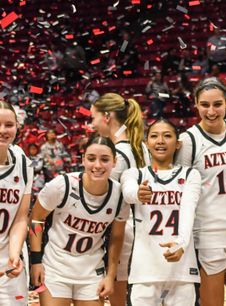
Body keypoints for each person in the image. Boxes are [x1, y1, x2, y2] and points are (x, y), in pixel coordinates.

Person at [174, 77, 226, 306]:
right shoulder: (188, 140)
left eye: (217, 104)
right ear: (196, 104)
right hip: (206, 238)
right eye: (205, 105)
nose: (211, 111)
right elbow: (180, 193)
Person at [29, 136, 128, 306]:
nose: (97, 165)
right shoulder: (62, 185)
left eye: (104, 159)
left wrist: (111, 275)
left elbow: (117, 238)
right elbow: (36, 219)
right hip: (55, 268)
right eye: (91, 159)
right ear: (83, 160)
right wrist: (36, 261)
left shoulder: (120, 196)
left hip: (91, 271)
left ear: (114, 162)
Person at [121, 119, 200, 305]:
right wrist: (138, 194)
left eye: (167, 136)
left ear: (178, 143)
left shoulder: (190, 175)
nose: (160, 141)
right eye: (154, 136)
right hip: (144, 271)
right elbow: (128, 193)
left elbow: (188, 210)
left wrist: (181, 243)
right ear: (147, 143)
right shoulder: (135, 174)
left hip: (182, 269)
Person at [90, 93, 150, 306]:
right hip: (140, 230)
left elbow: (105, 200)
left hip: (122, 233)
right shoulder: (140, 145)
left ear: (107, 116)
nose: (92, 125)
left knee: (119, 299)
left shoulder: (119, 153)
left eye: (93, 118)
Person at [0, 101, 33, 305]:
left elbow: (21, 217)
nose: (2, 130)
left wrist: (14, 254)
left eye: (9, 125)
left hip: (9, 256)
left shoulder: (22, 161)